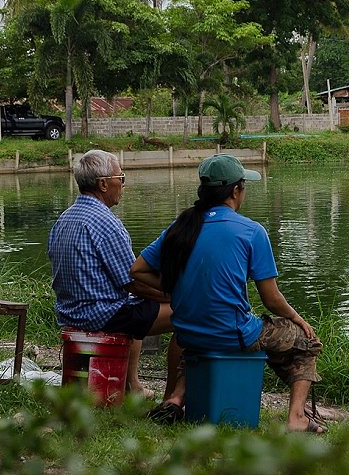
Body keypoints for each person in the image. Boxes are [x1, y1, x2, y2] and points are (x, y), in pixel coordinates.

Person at [131, 154, 326, 433]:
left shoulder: (181, 227)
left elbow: (137, 270)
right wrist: (299, 320)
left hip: (188, 334)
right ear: (236, 190)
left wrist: (177, 284)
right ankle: (296, 417)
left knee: (205, 335)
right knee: (305, 342)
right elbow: (271, 299)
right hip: (230, 333)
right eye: (244, 186)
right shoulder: (251, 231)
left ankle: (176, 397)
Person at [48, 149, 184, 412]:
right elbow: (134, 281)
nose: (123, 183)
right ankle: (171, 399)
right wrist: (178, 294)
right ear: (102, 183)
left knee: (139, 306)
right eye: (120, 177)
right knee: (189, 313)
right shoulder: (106, 223)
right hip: (100, 315)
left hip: (70, 311)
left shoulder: (64, 219)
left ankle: (132, 386)